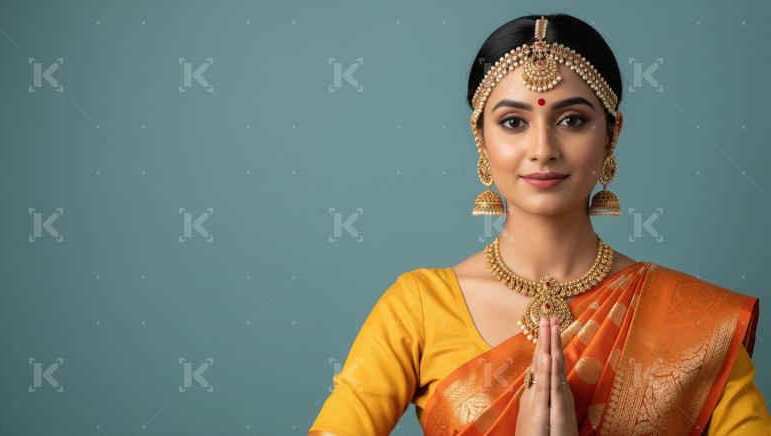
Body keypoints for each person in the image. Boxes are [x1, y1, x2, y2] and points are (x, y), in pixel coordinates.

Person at [309, 13, 770, 435]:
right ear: (481, 139)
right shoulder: (418, 309)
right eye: (513, 122)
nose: (542, 147)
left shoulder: (694, 322)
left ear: (612, 134)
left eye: (571, 119)